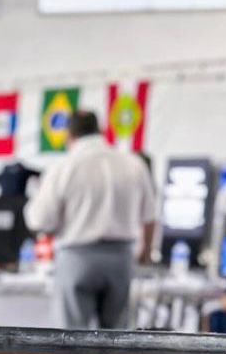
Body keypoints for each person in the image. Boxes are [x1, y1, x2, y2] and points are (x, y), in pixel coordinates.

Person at [24, 110, 156, 329]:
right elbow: (150, 216)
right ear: (101, 130)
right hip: (121, 258)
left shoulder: (63, 167)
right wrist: (145, 254)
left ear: (69, 135)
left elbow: (40, 221)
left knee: (71, 340)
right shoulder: (132, 164)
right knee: (115, 340)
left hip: (77, 258)